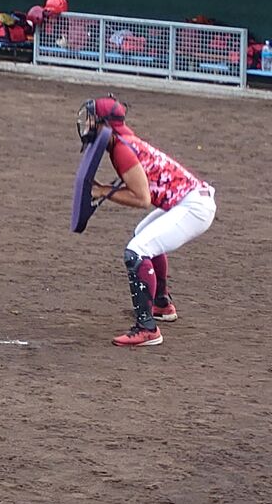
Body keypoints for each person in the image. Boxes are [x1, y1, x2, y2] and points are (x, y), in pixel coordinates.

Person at [79, 96, 216, 347]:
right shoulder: (122, 143)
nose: (86, 123)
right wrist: (106, 189)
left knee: (137, 250)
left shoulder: (121, 148)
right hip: (191, 200)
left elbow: (142, 198)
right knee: (143, 233)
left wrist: (102, 192)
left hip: (194, 206)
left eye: (91, 118)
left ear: (105, 124)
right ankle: (161, 304)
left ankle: (147, 328)